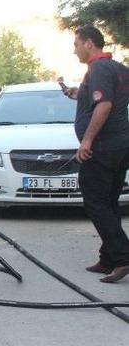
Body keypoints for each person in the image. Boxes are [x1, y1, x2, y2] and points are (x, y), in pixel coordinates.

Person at [63, 26, 129, 283]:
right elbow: (110, 97)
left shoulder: (98, 68)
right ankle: (109, 258)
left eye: (77, 44)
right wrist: (77, 94)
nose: (75, 49)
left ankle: (123, 257)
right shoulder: (118, 68)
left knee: (95, 202)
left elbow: (105, 104)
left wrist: (87, 141)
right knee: (109, 202)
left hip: (103, 148)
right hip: (120, 146)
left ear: (89, 43)